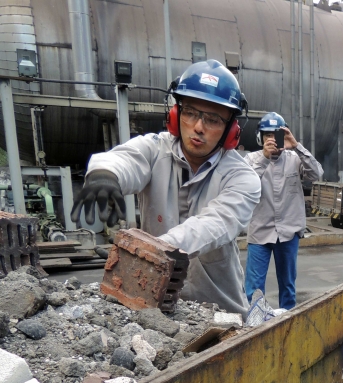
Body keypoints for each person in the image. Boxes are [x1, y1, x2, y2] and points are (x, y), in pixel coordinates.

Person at [70, 60, 260, 315]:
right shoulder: (155, 149)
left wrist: (150, 251)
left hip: (219, 312)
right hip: (151, 306)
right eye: (191, 112)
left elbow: (213, 225)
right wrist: (104, 173)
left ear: (230, 130)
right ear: (175, 114)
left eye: (213, 119)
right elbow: (126, 159)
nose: (198, 127)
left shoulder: (242, 177)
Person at [244, 112, 323, 309]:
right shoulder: (251, 160)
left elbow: (317, 174)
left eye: (276, 135)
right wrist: (264, 158)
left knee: (287, 285)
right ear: (260, 138)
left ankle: (286, 323)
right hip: (260, 232)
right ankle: (254, 324)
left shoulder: (295, 159)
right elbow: (245, 186)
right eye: (267, 135)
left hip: (288, 232)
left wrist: (296, 146)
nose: (272, 140)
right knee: (253, 288)